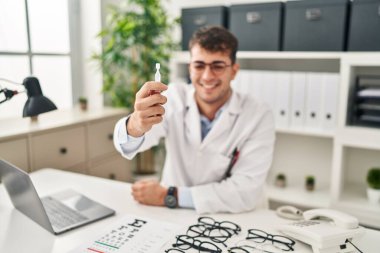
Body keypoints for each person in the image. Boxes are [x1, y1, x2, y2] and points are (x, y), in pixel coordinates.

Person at [113, 26, 275, 214]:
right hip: (174, 214)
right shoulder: (172, 98)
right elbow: (126, 145)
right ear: (190, 68)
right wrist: (135, 124)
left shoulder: (257, 114)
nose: (207, 76)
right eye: (199, 65)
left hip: (234, 217)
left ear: (234, 71)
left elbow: (245, 190)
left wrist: (167, 195)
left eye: (218, 66)